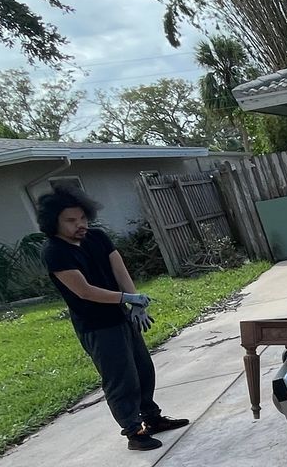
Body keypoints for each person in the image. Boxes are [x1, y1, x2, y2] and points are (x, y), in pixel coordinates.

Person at [35, 189, 188, 451]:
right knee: (121, 378)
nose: (80, 225)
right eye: (71, 221)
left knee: (143, 369)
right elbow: (84, 291)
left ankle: (152, 419)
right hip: (97, 325)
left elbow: (120, 270)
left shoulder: (98, 238)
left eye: (82, 217)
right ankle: (134, 432)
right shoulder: (55, 252)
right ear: (54, 223)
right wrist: (126, 298)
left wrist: (135, 302)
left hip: (123, 317)